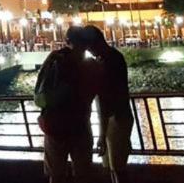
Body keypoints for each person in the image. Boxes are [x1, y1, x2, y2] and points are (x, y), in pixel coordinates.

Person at [34, 25, 96, 183]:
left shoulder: (54, 59)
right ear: (85, 43)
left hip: (55, 125)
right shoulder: (89, 65)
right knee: (83, 173)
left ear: (67, 41)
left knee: (56, 174)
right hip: (80, 124)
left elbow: (39, 92)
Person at [85, 26, 132, 183]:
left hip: (116, 117)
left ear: (94, 42)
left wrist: (102, 134)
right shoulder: (114, 56)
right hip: (121, 115)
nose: (88, 50)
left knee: (116, 169)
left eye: (88, 46)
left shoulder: (105, 62)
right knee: (115, 167)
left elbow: (105, 100)